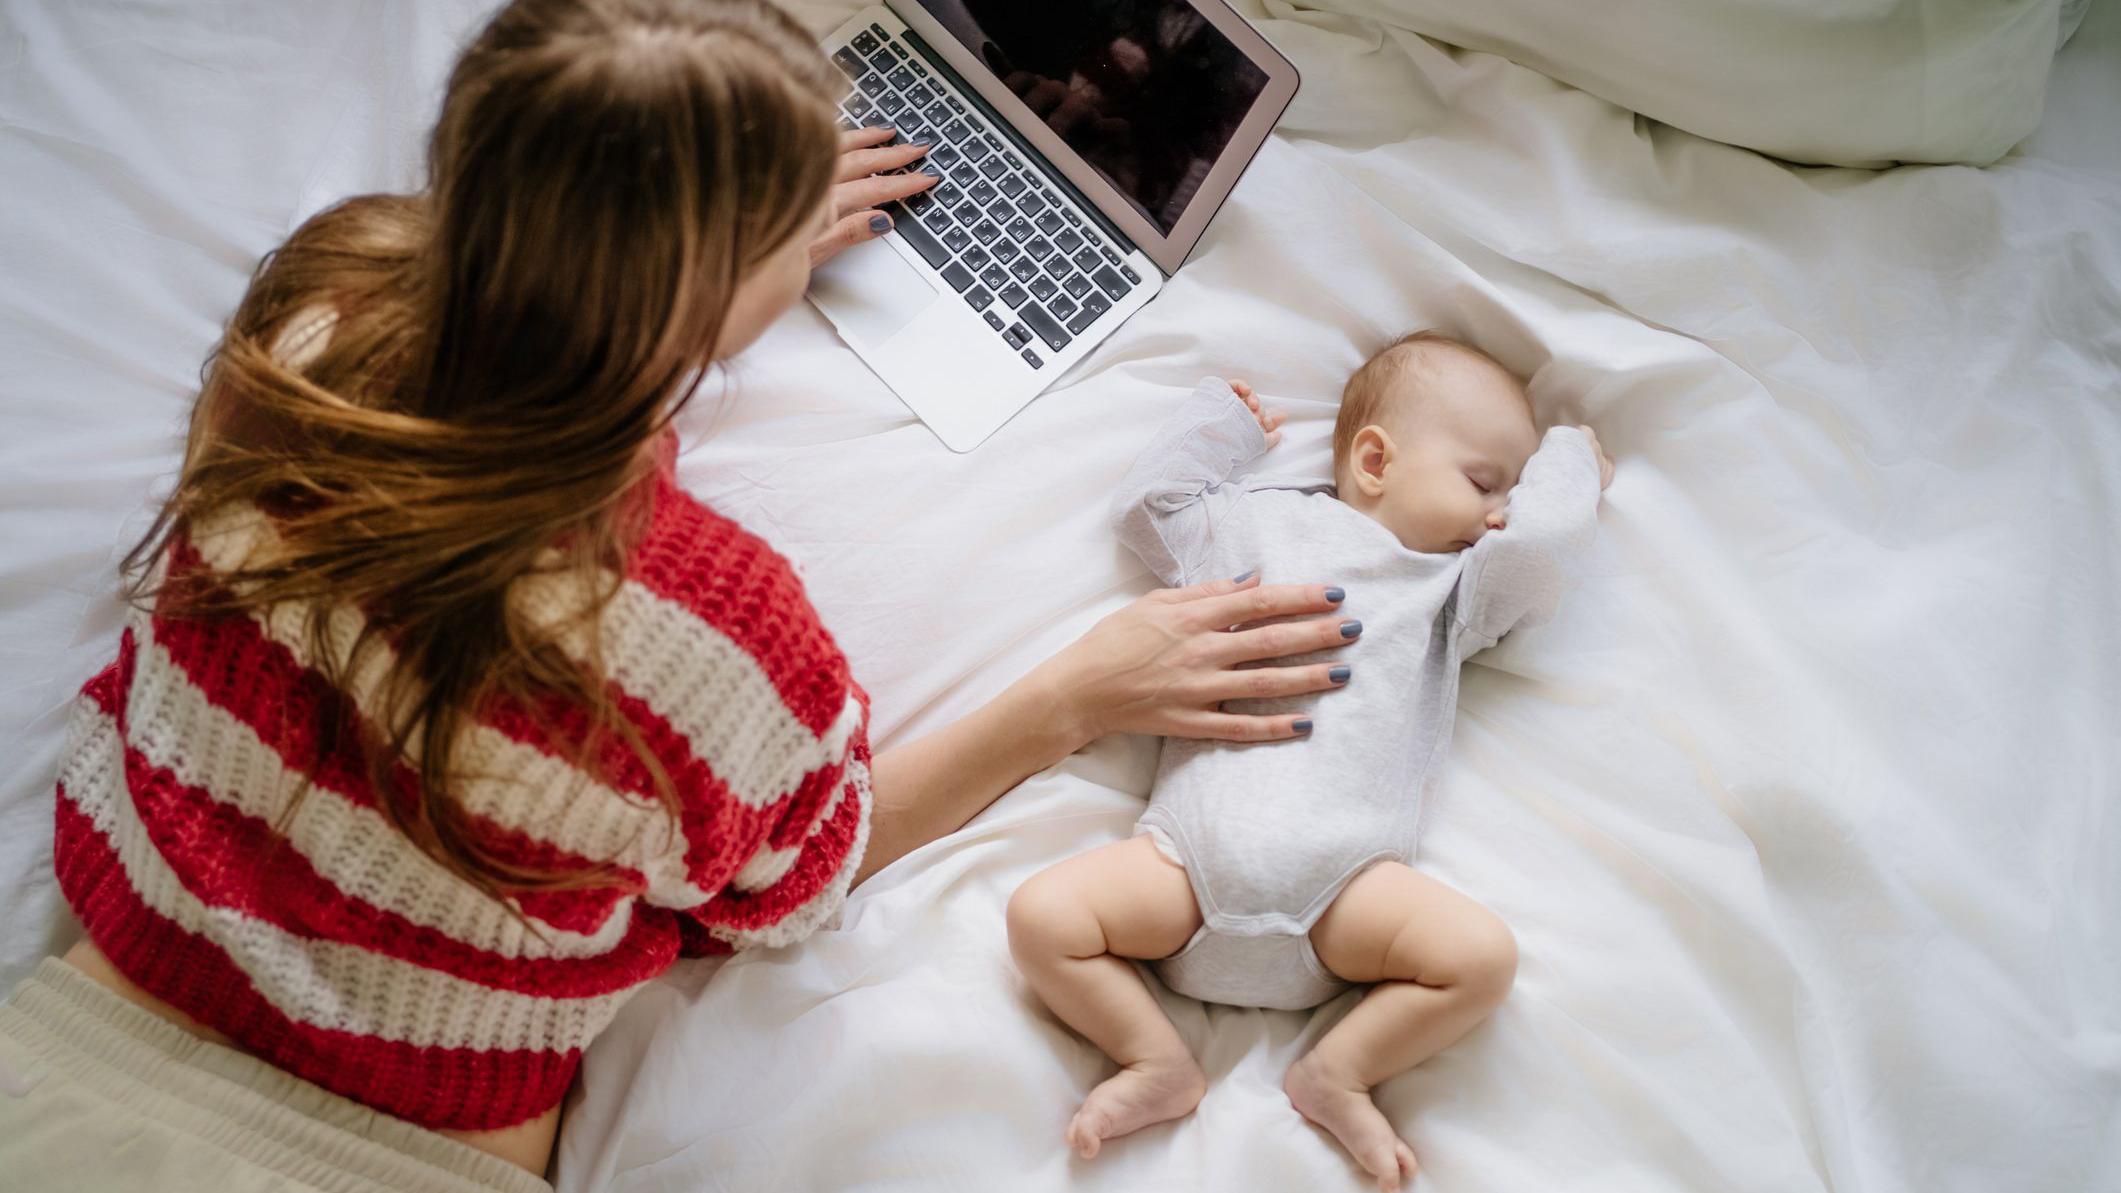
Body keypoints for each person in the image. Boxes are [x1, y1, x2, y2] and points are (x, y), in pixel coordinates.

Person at [0, 3, 1357, 1191]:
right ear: (715, 299)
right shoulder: (721, 644)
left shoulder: (317, 310)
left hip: (79, 1030)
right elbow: (792, 885)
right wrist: (1081, 690)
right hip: (392, 1143)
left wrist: (686, 266)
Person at [1006, 333, 1615, 1190]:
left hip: (1347, 892)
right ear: (1374, 459)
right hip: (1184, 866)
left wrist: (1567, 465)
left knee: (1482, 958)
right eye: (1484, 483)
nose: (1496, 515)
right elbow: (1148, 506)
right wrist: (1222, 426)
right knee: (1040, 917)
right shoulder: (1257, 526)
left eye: (1507, 494)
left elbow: (1538, 551)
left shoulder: (1453, 590)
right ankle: (1156, 1060)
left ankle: (1338, 1069)